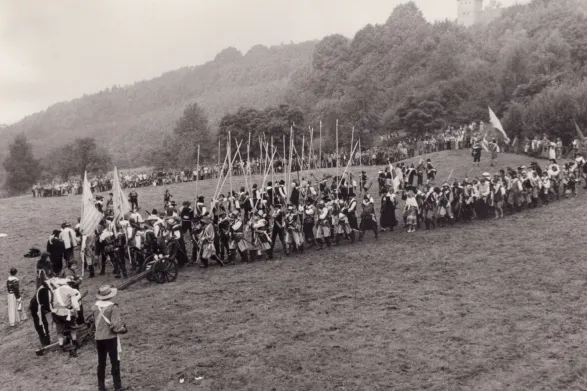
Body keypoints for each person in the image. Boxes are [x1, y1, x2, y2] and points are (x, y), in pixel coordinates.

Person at [92, 285, 128, 391]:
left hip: (99, 337)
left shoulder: (95, 307)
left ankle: (101, 386)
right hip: (110, 337)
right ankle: (117, 386)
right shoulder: (113, 307)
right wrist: (124, 329)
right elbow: (115, 326)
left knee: (101, 362)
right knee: (115, 361)